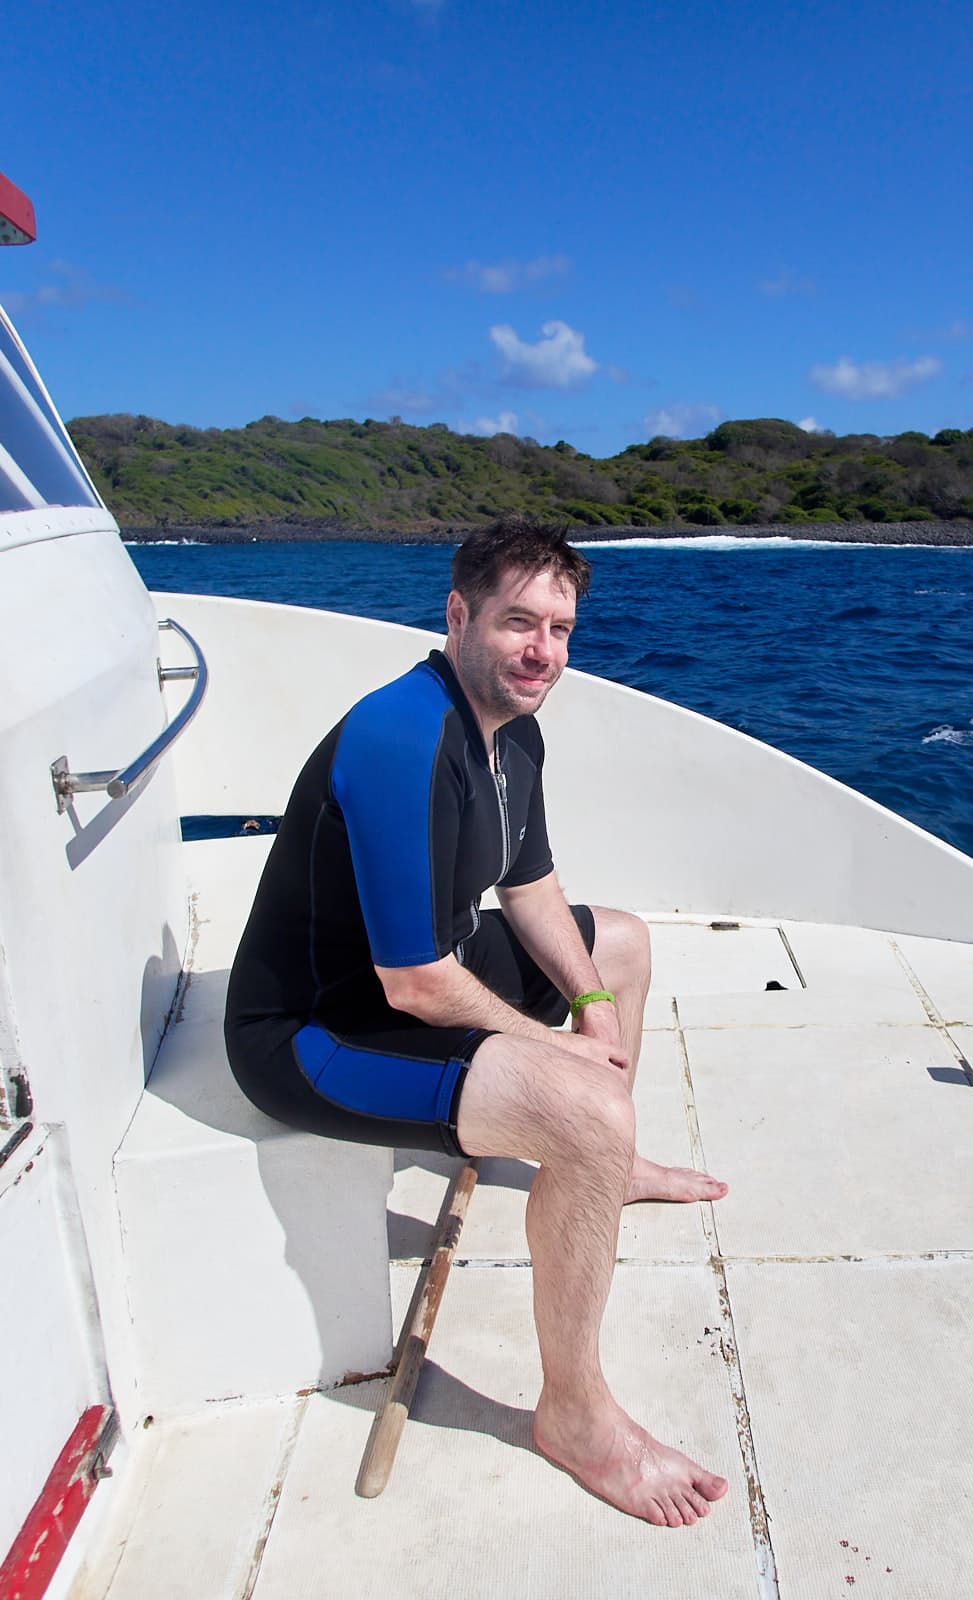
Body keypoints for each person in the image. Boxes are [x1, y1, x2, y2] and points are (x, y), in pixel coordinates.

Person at [225, 516, 729, 1528]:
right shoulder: (402, 735)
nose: (544, 649)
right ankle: (575, 1415)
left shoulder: (514, 728)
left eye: (562, 627)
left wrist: (589, 1006)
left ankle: (605, 1173)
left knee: (619, 943)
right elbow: (414, 982)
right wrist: (568, 1055)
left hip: (418, 975)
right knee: (587, 1108)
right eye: (518, 623)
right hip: (319, 1029)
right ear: (457, 617)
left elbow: (532, 887)